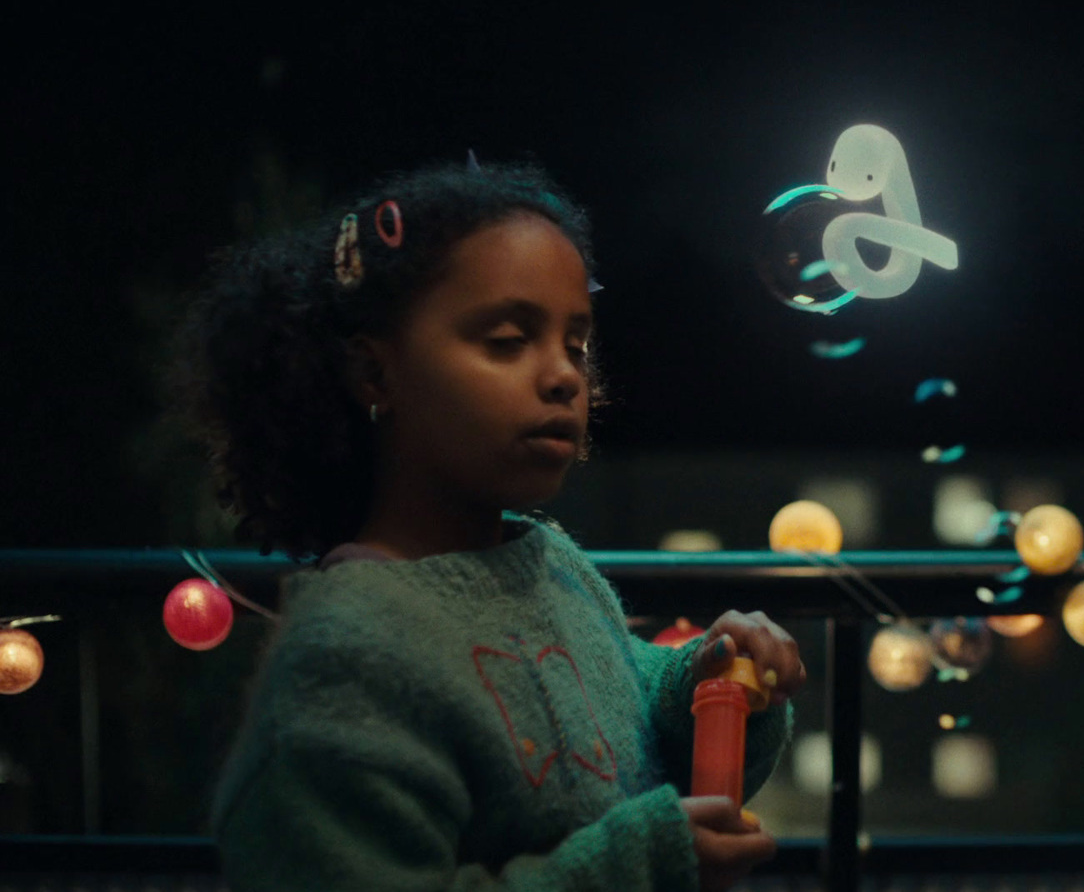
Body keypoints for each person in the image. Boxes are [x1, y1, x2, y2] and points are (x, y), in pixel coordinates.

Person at [164, 158, 804, 891]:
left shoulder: (545, 561)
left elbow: (625, 708)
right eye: (506, 339)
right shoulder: (346, 658)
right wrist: (641, 863)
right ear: (374, 375)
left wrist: (712, 682)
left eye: (576, 343)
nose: (565, 375)